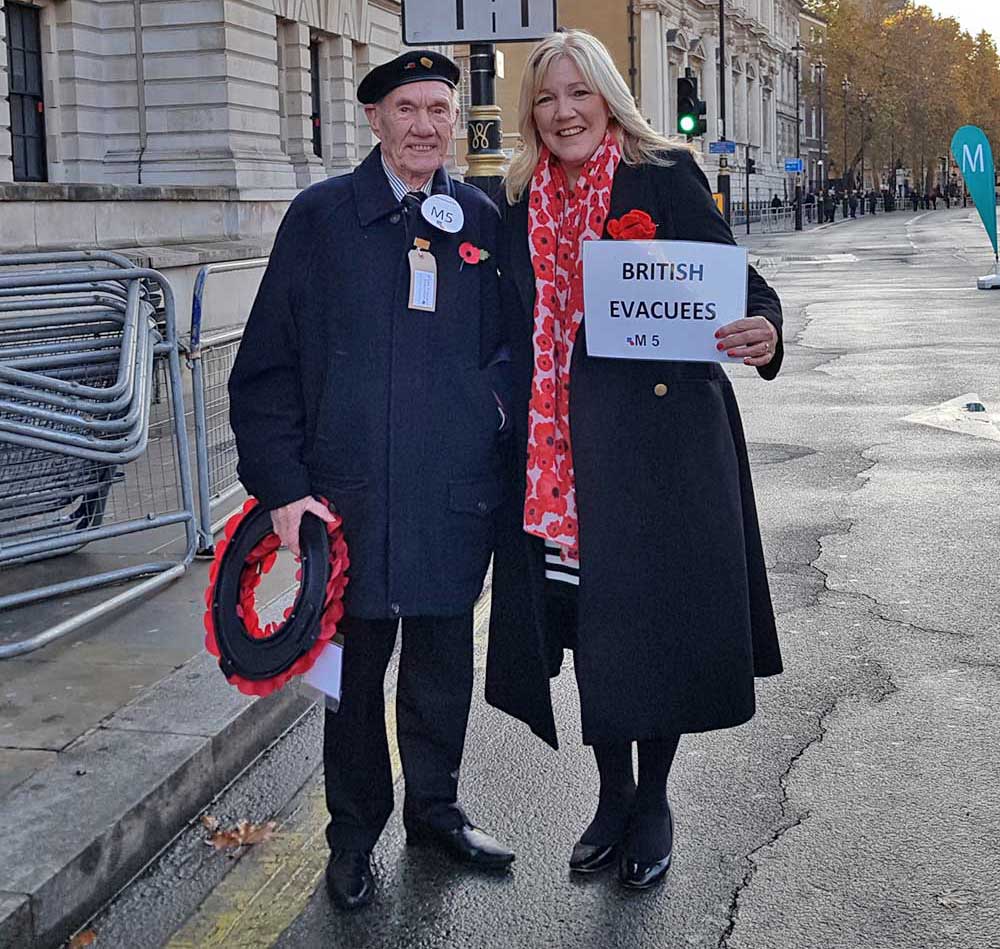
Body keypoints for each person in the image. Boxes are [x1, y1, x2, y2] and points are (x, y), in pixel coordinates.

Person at [485, 30, 783, 891]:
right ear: (531, 112)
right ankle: (610, 792)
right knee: (587, 628)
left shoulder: (662, 174)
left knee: (652, 626)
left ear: (608, 96)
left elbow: (743, 287)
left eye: (579, 93)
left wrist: (763, 334)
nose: (563, 111)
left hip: (658, 455)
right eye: (546, 98)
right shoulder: (513, 200)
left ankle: (652, 798)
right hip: (555, 462)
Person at [228, 48, 514, 912]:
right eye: (409, 109)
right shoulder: (320, 218)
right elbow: (265, 369)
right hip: (343, 508)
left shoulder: (478, 217)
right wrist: (282, 488)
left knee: (440, 671)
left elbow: (514, 344)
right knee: (349, 687)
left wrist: (486, 408)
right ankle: (352, 835)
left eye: (441, 109)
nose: (427, 125)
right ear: (376, 119)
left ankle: (437, 810)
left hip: (450, 499)